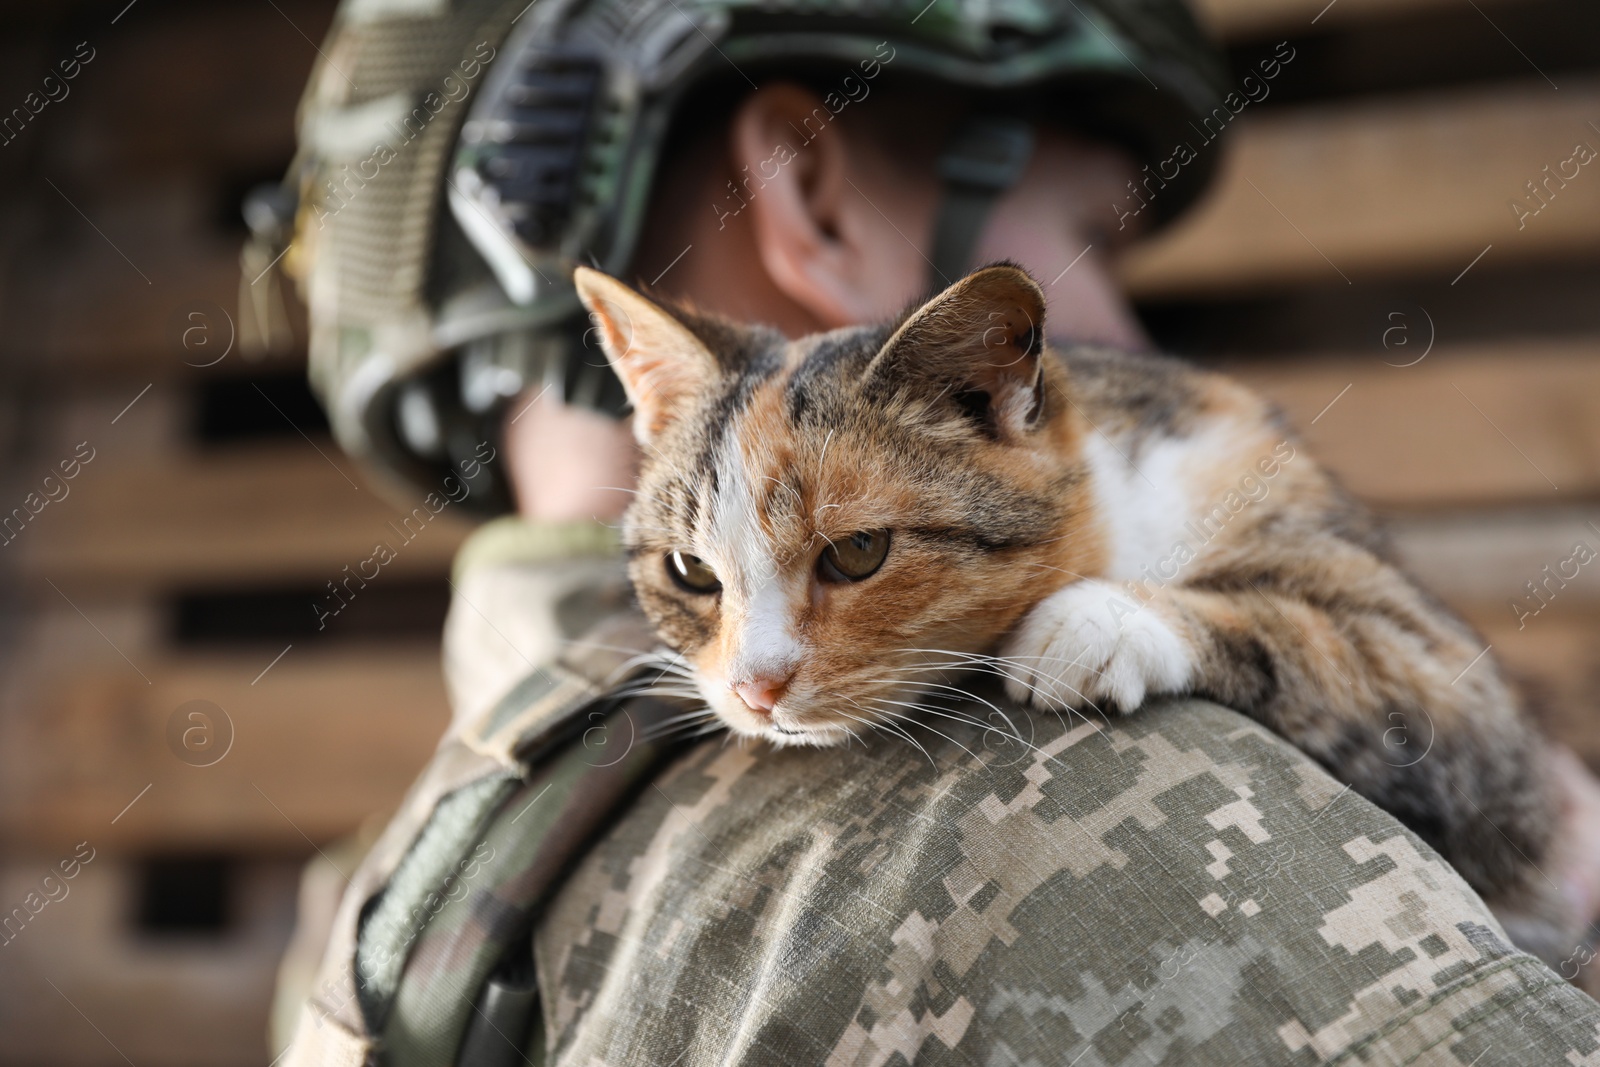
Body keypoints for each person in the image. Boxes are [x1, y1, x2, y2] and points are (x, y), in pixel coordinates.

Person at [265, 2, 1600, 1064]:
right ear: (813, 204)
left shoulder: (369, 904)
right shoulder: (1147, 805)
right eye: (1096, 246)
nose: (1121, 343)